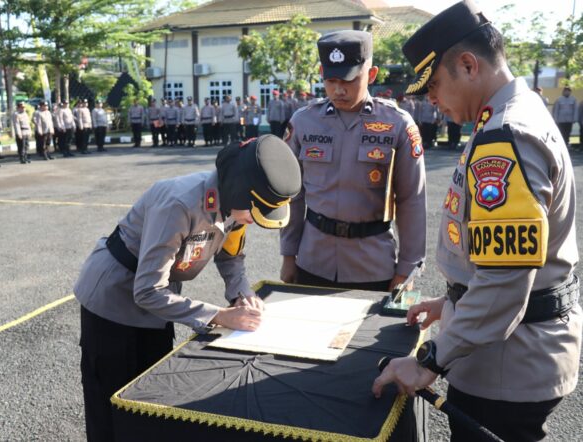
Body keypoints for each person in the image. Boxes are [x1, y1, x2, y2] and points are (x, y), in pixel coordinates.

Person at [373, 3, 582, 441]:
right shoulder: (509, 116)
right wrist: (450, 304)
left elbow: (505, 280)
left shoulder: (505, 135)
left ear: (468, 65)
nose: (430, 99)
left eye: (433, 84)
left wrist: (429, 361)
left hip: (508, 365)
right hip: (511, 350)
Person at [74, 134, 302, 442]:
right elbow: (147, 290)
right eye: (254, 213)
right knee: (111, 412)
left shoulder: (236, 203)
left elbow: (230, 254)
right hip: (114, 303)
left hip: (157, 307)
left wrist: (241, 293)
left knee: (149, 404)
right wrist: (219, 316)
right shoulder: (180, 204)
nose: (252, 220)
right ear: (239, 191)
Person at [280, 30, 426, 292]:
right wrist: (289, 255)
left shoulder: (397, 124)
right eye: (331, 80)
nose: (338, 90)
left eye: (349, 80)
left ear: (371, 75)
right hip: (314, 260)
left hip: (372, 265)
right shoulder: (303, 121)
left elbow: (411, 200)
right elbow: (293, 194)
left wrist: (407, 268)